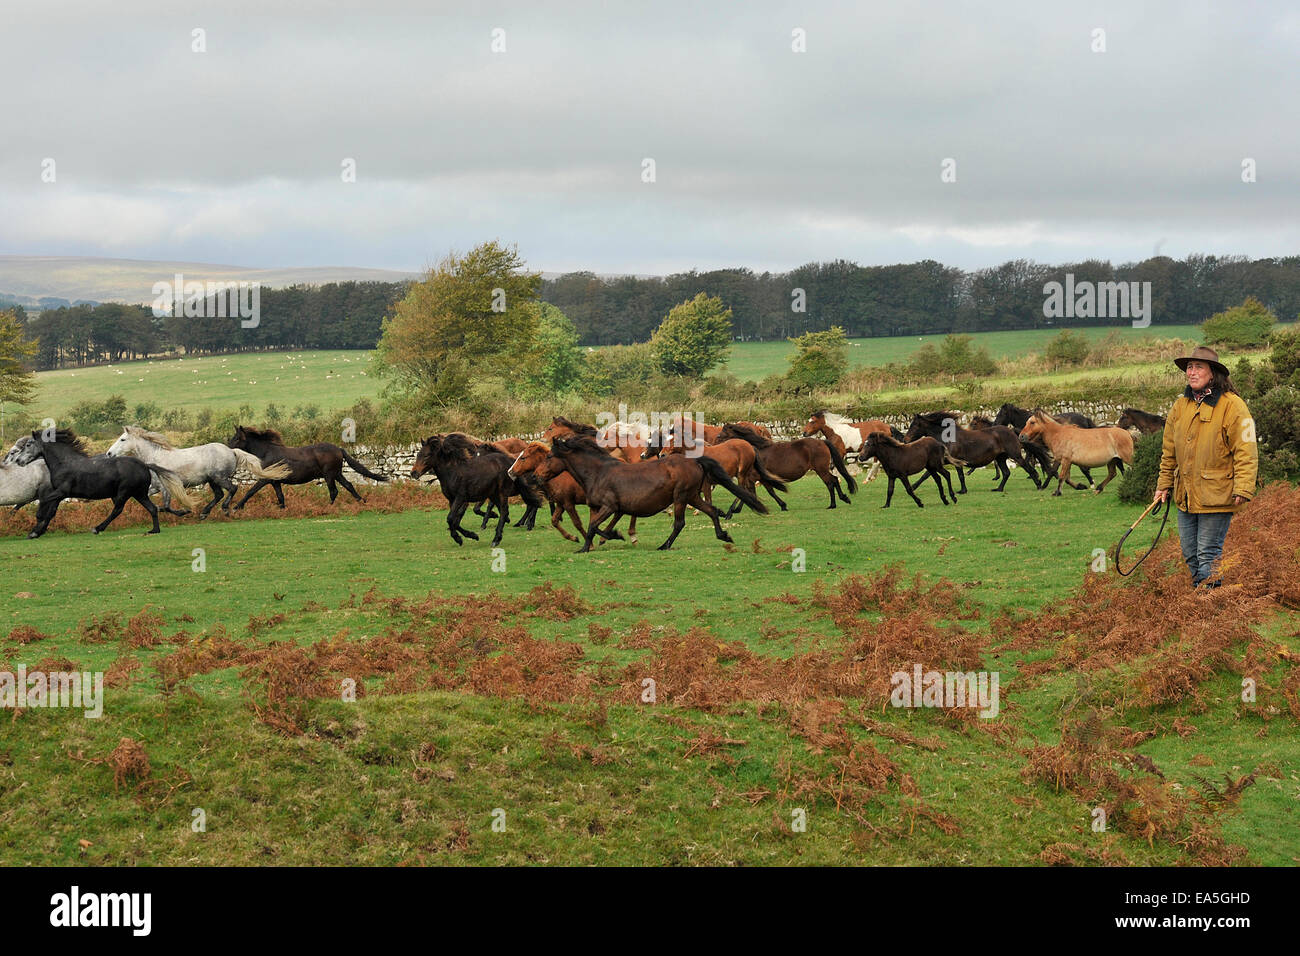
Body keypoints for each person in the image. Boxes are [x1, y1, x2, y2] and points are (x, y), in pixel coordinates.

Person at [1153, 346, 1258, 590]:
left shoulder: (1234, 406)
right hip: (1185, 495)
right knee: (1190, 554)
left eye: (1198, 366)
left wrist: (1243, 486)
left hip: (1218, 493)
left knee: (1207, 554)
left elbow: (1247, 449)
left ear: (1213, 373)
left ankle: (1208, 608)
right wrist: (1163, 486)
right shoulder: (1180, 406)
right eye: (1189, 367)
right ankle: (1201, 599)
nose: (1191, 372)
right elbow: (1169, 452)